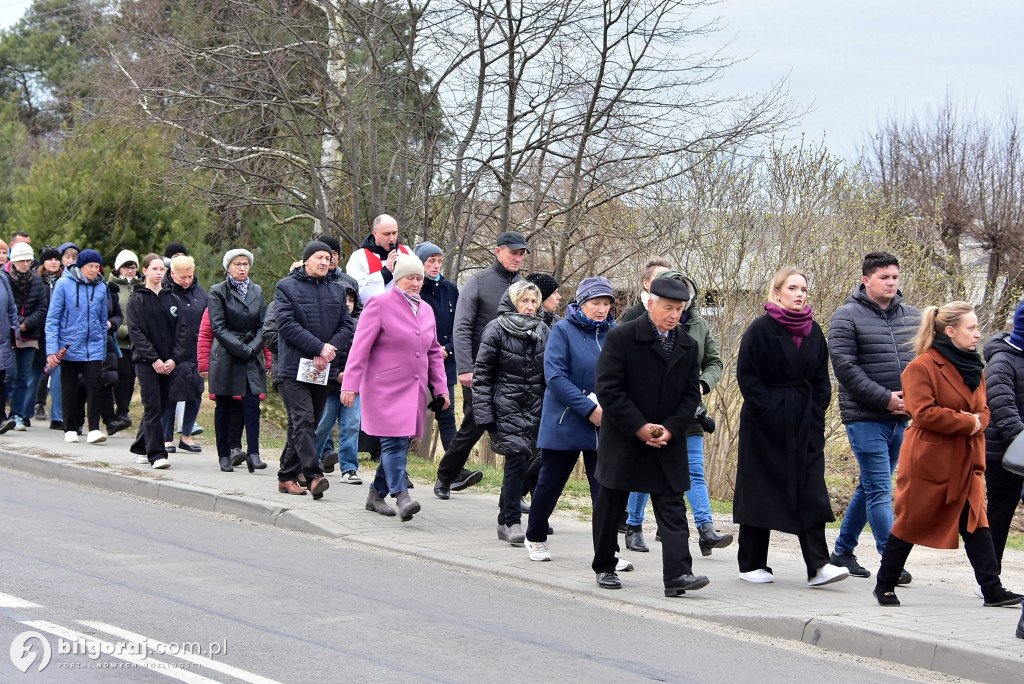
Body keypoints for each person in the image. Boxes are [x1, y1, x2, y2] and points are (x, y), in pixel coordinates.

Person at [873, 302, 1023, 608]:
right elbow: (923, 412)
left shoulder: (975, 366)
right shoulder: (921, 366)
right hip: (930, 459)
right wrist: (969, 422)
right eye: (972, 328)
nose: (978, 334)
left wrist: (978, 421)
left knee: (976, 522)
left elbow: (984, 409)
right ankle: (884, 583)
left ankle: (991, 589)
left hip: (967, 458)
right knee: (912, 520)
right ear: (951, 331)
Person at [590, 277, 708, 595]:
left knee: (672, 506)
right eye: (668, 308)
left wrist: (670, 428)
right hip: (625, 436)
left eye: (680, 309)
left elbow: (690, 397)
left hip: (667, 439)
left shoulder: (688, 344)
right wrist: (639, 427)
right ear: (651, 303)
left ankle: (678, 575)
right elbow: (609, 389)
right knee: (611, 504)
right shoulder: (622, 337)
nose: (674, 315)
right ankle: (605, 565)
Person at [733, 267, 849, 587]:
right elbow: (748, 377)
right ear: (777, 292)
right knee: (760, 489)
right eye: (793, 288)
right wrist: (771, 410)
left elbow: (821, 380)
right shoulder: (760, 329)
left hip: (804, 423)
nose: (800, 294)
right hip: (764, 425)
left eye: (804, 289)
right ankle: (751, 563)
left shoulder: (815, 331)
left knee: (811, 491)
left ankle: (819, 565)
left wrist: (815, 413)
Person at [621, 270, 732, 556]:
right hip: (650, 412)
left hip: (689, 410)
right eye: (669, 300)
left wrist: (702, 384)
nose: (676, 308)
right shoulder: (636, 318)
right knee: (644, 469)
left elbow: (713, 361)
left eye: (682, 300)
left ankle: (706, 529)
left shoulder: (698, 325)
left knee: (694, 469)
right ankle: (634, 525)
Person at [828, 252, 920, 582]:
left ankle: (842, 552)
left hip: (902, 418)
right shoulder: (846, 316)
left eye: (895, 276)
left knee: (869, 487)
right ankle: (890, 560)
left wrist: (913, 401)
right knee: (880, 489)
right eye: (884, 277)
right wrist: (886, 399)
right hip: (865, 417)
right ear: (866, 280)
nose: (891, 282)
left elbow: (924, 363)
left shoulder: (913, 317)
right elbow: (846, 368)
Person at [342, 253, 448, 520]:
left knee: (399, 442)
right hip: (384, 388)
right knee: (393, 442)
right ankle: (402, 496)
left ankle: (376, 495)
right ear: (398, 280)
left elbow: (434, 352)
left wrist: (441, 388)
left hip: (414, 389)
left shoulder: (426, 310)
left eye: (419, 279)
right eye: (410, 278)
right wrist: (350, 385)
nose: (415, 283)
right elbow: (359, 349)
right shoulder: (379, 304)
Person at [524, 277, 615, 561]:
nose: (601, 309)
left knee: (605, 491)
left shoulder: (615, 333)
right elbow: (555, 377)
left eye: (606, 303)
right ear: (581, 303)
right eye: (595, 303)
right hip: (565, 419)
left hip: (605, 424)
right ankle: (535, 536)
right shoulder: (563, 330)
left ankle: (608, 552)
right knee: (550, 483)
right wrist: (589, 409)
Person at [433, 230, 528, 499]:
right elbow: (461, 327)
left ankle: (513, 495)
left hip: (513, 372)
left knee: (516, 431)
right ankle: (446, 477)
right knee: (474, 424)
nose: (518, 258)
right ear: (498, 251)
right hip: (480, 370)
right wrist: (465, 368)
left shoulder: (524, 286)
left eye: (521, 254)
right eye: (513, 253)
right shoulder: (478, 281)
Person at [275, 241, 355, 500]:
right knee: (304, 420)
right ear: (306, 260)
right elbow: (286, 324)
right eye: (318, 257)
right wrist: (318, 347)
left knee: (307, 425)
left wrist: (329, 350)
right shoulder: (286, 287)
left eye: (327, 258)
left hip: (322, 368)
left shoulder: (336, 290)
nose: (323, 262)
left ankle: (286, 476)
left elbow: (347, 325)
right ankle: (313, 475)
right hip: (294, 368)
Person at [473, 280, 549, 543]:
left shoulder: (543, 330)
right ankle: (513, 522)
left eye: (534, 301)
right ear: (513, 302)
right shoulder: (496, 329)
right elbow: (482, 375)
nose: (530, 306)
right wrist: (484, 414)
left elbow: (549, 374)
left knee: (525, 464)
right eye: (524, 301)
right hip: (505, 406)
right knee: (516, 461)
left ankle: (503, 519)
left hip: (535, 408)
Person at [206, 248, 268, 473]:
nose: (242, 268)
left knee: (252, 404)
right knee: (224, 405)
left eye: (245, 264)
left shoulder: (257, 290)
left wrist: (253, 348)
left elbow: (264, 324)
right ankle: (224, 454)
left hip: (252, 353)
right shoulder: (218, 291)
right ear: (228, 267)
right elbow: (218, 327)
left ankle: (254, 453)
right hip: (226, 354)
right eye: (237, 264)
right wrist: (241, 349)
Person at [128, 254, 190, 468]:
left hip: (169, 363)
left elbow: (183, 330)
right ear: (145, 271)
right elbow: (136, 332)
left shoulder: (172, 298)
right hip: (146, 363)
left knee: (161, 407)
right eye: (154, 268)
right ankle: (157, 454)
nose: (158, 272)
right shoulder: (137, 299)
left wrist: (174, 359)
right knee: (152, 405)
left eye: (161, 269)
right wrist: (153, 359)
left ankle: (140, 447)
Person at [311, 235, 364, 481]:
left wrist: (353, 377)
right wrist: (336, 374)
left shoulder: (362, 324)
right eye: (345, 300)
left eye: (351, 300)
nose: (348, 304)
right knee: (323, 424)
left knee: (351, 424)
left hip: (353, 383)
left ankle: (349, 467)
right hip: (328, 380)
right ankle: (311, 461)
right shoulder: (326, 322)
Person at [44, 248, 109, 445]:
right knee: (70, 388)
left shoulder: (101, 287)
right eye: (90, 266)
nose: (94, 270)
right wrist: (52, 350)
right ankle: (70, 428)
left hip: (93, 345)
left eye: (97, 267)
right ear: (81, 266)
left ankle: (94, 429)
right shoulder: (64, 284)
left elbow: (102, 319)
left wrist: (102, 348)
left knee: (95, 386)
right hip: (69, 345)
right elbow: (52, 319)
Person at [982, 301, 1024, 576]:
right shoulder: (1002, 361)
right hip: (1004, 452)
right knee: (999, 514)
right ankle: (988, 576)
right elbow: (1003, 408)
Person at [415, 241, 459, 451]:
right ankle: (391, 463)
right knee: (410, 412)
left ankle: (454, 465)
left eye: (439, 261)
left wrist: (448, 348)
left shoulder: (450, 288)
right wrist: (430, 349)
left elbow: (460, 324)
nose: (436, 266)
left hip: (445, 360)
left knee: (447, 413)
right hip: (419, 358)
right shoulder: (415, 287)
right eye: (431, 261)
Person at [161, 255, 206, 453]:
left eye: (190, 276)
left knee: (196, 394)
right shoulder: (165, 292)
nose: (187, 281)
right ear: (172, 274)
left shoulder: (200, 293)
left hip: (196, 351)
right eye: (182, 277)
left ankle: (187, 435)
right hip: (172, 352)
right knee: (170, 396)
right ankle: (166, 438)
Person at [0, 243, 47, 433]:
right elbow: (8, 307)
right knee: (8, 375)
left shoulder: (36, 280)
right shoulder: (4, 278)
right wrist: (17, 324)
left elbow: (42, 307)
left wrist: (27, 324)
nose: (26, 264)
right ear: (13, 261)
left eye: (28, 260)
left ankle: (16, 415)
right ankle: (2, 412)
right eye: (21, 260)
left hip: (30, 334)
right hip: (9, 334)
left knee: (24, 377)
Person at [345, 214, 413, 303]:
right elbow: (357, 291)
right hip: (375, 309)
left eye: (394, 233)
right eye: (387, 234)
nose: (392, 238)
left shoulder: (407, 252)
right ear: (375, 233)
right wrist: (386, 272)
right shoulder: (359, 257)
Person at [108, 250, 141, 429]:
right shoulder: (111, 287)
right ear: (118, 268)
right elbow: (111, 313)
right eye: (126, 267)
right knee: (120, 376)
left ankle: (123, 410)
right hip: (118, 340)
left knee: (130, 377)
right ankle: (119, 410)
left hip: (136, 342)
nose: (130, 270)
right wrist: (124, 331)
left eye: (133, 267)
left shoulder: (140, 286)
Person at [34, 246, 63, 428]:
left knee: (55, 370)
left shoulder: (64, 281)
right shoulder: (37, 281)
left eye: (56, 259)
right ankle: (36, 404)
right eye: (49, 259)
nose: (53, 262)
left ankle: (57, 415)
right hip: (38, 331)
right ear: (43, 262)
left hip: (57, 333)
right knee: (38, 372)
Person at [618, 256, 672, 323]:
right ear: (646, 283)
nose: (665, 283)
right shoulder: (633, 315)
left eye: (669, 279)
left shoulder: (677, 313)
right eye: (660, 278)